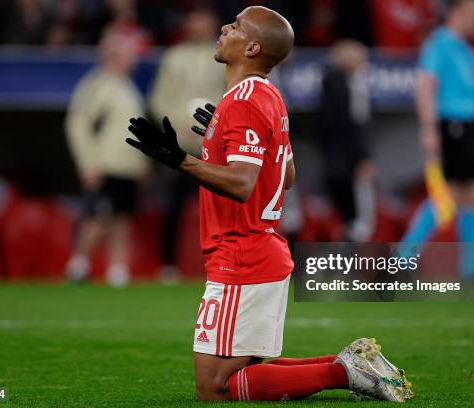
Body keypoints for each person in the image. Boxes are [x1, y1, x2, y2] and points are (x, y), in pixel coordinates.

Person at [125, 6, 412, 402]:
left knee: (215, 388)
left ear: (253, 46)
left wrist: (179, 159)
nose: (225, 27)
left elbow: (244, 184)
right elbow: (286, 175)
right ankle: (346, 365)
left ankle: (343, 373)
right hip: (258, 250)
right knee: (233, 376)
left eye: (238, 26)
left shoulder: (242, 101)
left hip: (241, 255)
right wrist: (220, 136)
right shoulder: (267, 95)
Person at [401, 0, 474, 278]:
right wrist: (429, 127)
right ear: (456, 12)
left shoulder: (465, 48)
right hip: (452, 125)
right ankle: (403, 258)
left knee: (472, 196)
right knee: (451, 195)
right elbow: (425, 85)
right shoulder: (440, 43)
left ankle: (469, 269)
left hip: (470, 128)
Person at [65, 28, 149, 287]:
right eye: (129, 54)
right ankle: (78, 266)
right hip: (105, 164)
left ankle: (118, 270)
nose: (134, 59)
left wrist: (142, 163)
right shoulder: (98, 84)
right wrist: (88, 163)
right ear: (114, 54)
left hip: (127, 167)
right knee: (98, 218)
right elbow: (78, 125)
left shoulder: (126, 87)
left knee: (122, 219)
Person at [148, 8, 225, 282]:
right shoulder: (174, 56)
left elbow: (229, 94)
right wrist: (175, 123)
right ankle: (168, 265)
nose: (197, 24)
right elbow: (159, 98)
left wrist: (214, 125)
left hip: (214, 143)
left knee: (221, 205)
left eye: (203, 18)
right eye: (193, 18)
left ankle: (224, 262)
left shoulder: (225, 56)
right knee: (173, 206)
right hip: (180, 142)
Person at [316, 40, 376, 242]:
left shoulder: (354, 84)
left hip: (346, 159)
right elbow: (351, 125)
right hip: (343, 161)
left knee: (356, 216)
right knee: (354, 214)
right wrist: (362, 157)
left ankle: (354, 257)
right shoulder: (336, 83)